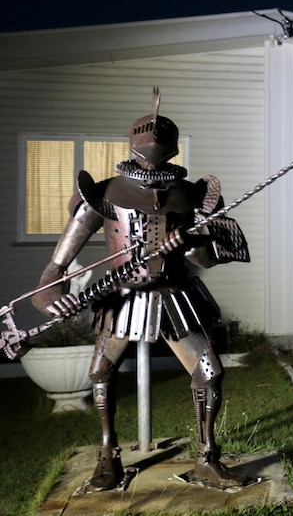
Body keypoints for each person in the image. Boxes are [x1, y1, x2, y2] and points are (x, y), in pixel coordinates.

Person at [32, 89, 251, 492]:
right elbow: (59, 261)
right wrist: (49, 295)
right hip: (123, 296)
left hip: (174, 297)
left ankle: (207, 459)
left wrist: (190, 241)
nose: (152, 139)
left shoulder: (190, 196)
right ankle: (107, 456)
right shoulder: (104, 193)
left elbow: (209, 256)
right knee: (101, 371)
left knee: (210, 372)